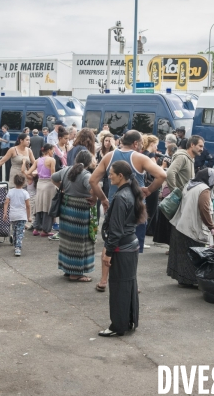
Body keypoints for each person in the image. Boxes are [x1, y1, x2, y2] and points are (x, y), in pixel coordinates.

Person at [90, 130, 166, 292]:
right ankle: (131, 280)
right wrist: (149, 190)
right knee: (133, 245)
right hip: (136, 210)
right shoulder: (141, 158)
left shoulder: (109, 156)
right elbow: (161, 175)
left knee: (110, 241)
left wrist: (103, 199)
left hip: (114, 206)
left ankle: (104, 280)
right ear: (136, 144)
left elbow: (93, 180)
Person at [99, 160, 147, 337]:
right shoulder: (132, 192)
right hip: (131, 245)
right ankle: (128, 321)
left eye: (111, 173)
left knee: (119, 287)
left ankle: (117, 326)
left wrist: (108, 253)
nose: (109, 175)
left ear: (120, 176)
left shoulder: (121, 197)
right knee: (129, 284)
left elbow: (116, 230)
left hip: (122, 248)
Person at [167, 168, 214, 287]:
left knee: (181, 255)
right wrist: (211, 225)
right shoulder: (203, 189)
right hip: (191, 227)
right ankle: (190, 281)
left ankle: (183, 279)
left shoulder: (190, 184)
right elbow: (204, 209)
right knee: (193, 255)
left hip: (180, 225)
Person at [52, 150, 96, 280]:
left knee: (67, 240)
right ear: (88, 161)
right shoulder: (86, 175)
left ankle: (68, 268)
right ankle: (76, 273)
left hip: (66, 208)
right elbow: (93, 189)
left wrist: (63, 188)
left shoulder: (67, 170)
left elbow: (53, 177)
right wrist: (95, 198)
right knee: (79, 241)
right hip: (80, 211)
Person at [26, 144, 57, 237]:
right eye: (52, 150)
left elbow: (28, 172)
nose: (53, 152)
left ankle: (36, 228)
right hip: (49, 184)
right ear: (48, 151)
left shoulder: (37, 160)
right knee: (48, 207)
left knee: (39, 205)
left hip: (39, 184)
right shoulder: (52, 160)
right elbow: (53, 175)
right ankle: (45, 230)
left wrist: (37, 173)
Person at [3, 173, 31, 256]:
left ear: (14, 182)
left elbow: (6, 202)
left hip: (13, 215)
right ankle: (18, 248)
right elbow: (28, 206)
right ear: (24, 182)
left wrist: (5, 213)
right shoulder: (25, 193)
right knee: (20, 232)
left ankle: (15, 244)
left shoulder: (10, 192)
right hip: (21, 215)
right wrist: (28, 216)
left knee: (15, 230)